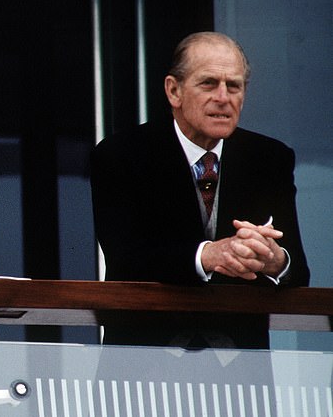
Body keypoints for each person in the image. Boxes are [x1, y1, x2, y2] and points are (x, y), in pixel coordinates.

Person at [90, 31, 310, 349]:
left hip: (240, 370)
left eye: (233, 86)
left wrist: (274, 261)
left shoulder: (269, 158)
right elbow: (127, 259)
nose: (223, 97)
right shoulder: (120, 154)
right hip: (144, 365)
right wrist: (208, 255)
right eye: (209, 83)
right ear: (173, 91)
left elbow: (297, 270)